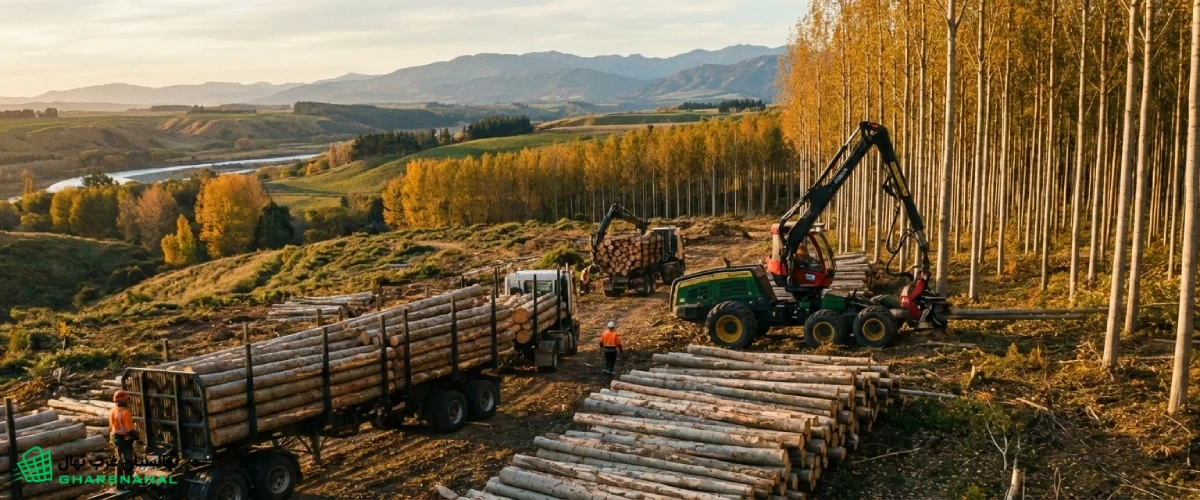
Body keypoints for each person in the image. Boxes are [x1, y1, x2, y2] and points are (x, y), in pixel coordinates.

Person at [109, 390, 137, 484]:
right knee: (128, 460)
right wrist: (137, 437)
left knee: (119, 460)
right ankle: (129, 482)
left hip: (115, 438)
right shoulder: (125, 412)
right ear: (123, 400)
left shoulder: (112, 411)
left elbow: (111, 427)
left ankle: (119, 482)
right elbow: (129, 429)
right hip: (125, 439)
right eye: (126, 400)